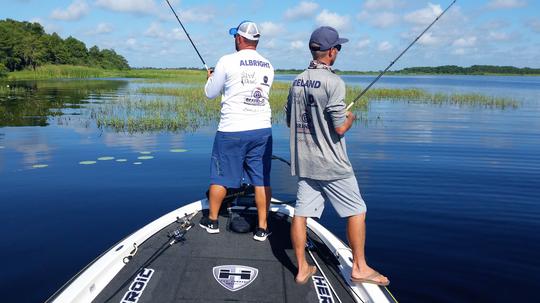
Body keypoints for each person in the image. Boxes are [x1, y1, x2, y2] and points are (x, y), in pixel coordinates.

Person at [285, 26, 390, 285]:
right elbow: (340, 127)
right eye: (338, 48)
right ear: (331, 52)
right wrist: (350, 117)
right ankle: (360, 267)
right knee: (357, 211)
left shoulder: (297, 80)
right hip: (333, 165)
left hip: (305, 162)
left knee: (301, 214)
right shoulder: (335, 82)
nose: (338, 52)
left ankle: (301, 269)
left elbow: (289, 119)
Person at [200, 20, 274, 242]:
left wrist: (211, 79)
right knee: (261, 180)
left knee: (221, 177)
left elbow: (210, 93)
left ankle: (212, 221)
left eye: (235, 37)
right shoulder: (268, 65)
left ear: (240, 39)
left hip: (231, 130)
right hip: (262, 130)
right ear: (256, 40)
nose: (234, 40)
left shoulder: (226, 60)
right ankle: (262, 228)